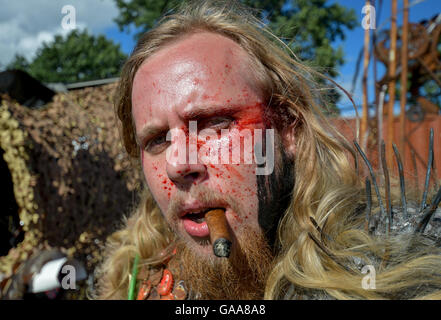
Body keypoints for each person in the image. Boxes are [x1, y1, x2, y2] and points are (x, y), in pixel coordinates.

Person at [95, 0, 441, 300]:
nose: (177, 165)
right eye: (156, 140)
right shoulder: (136, 273)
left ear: (287, 127)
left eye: (214, 122)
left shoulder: (388, 267)